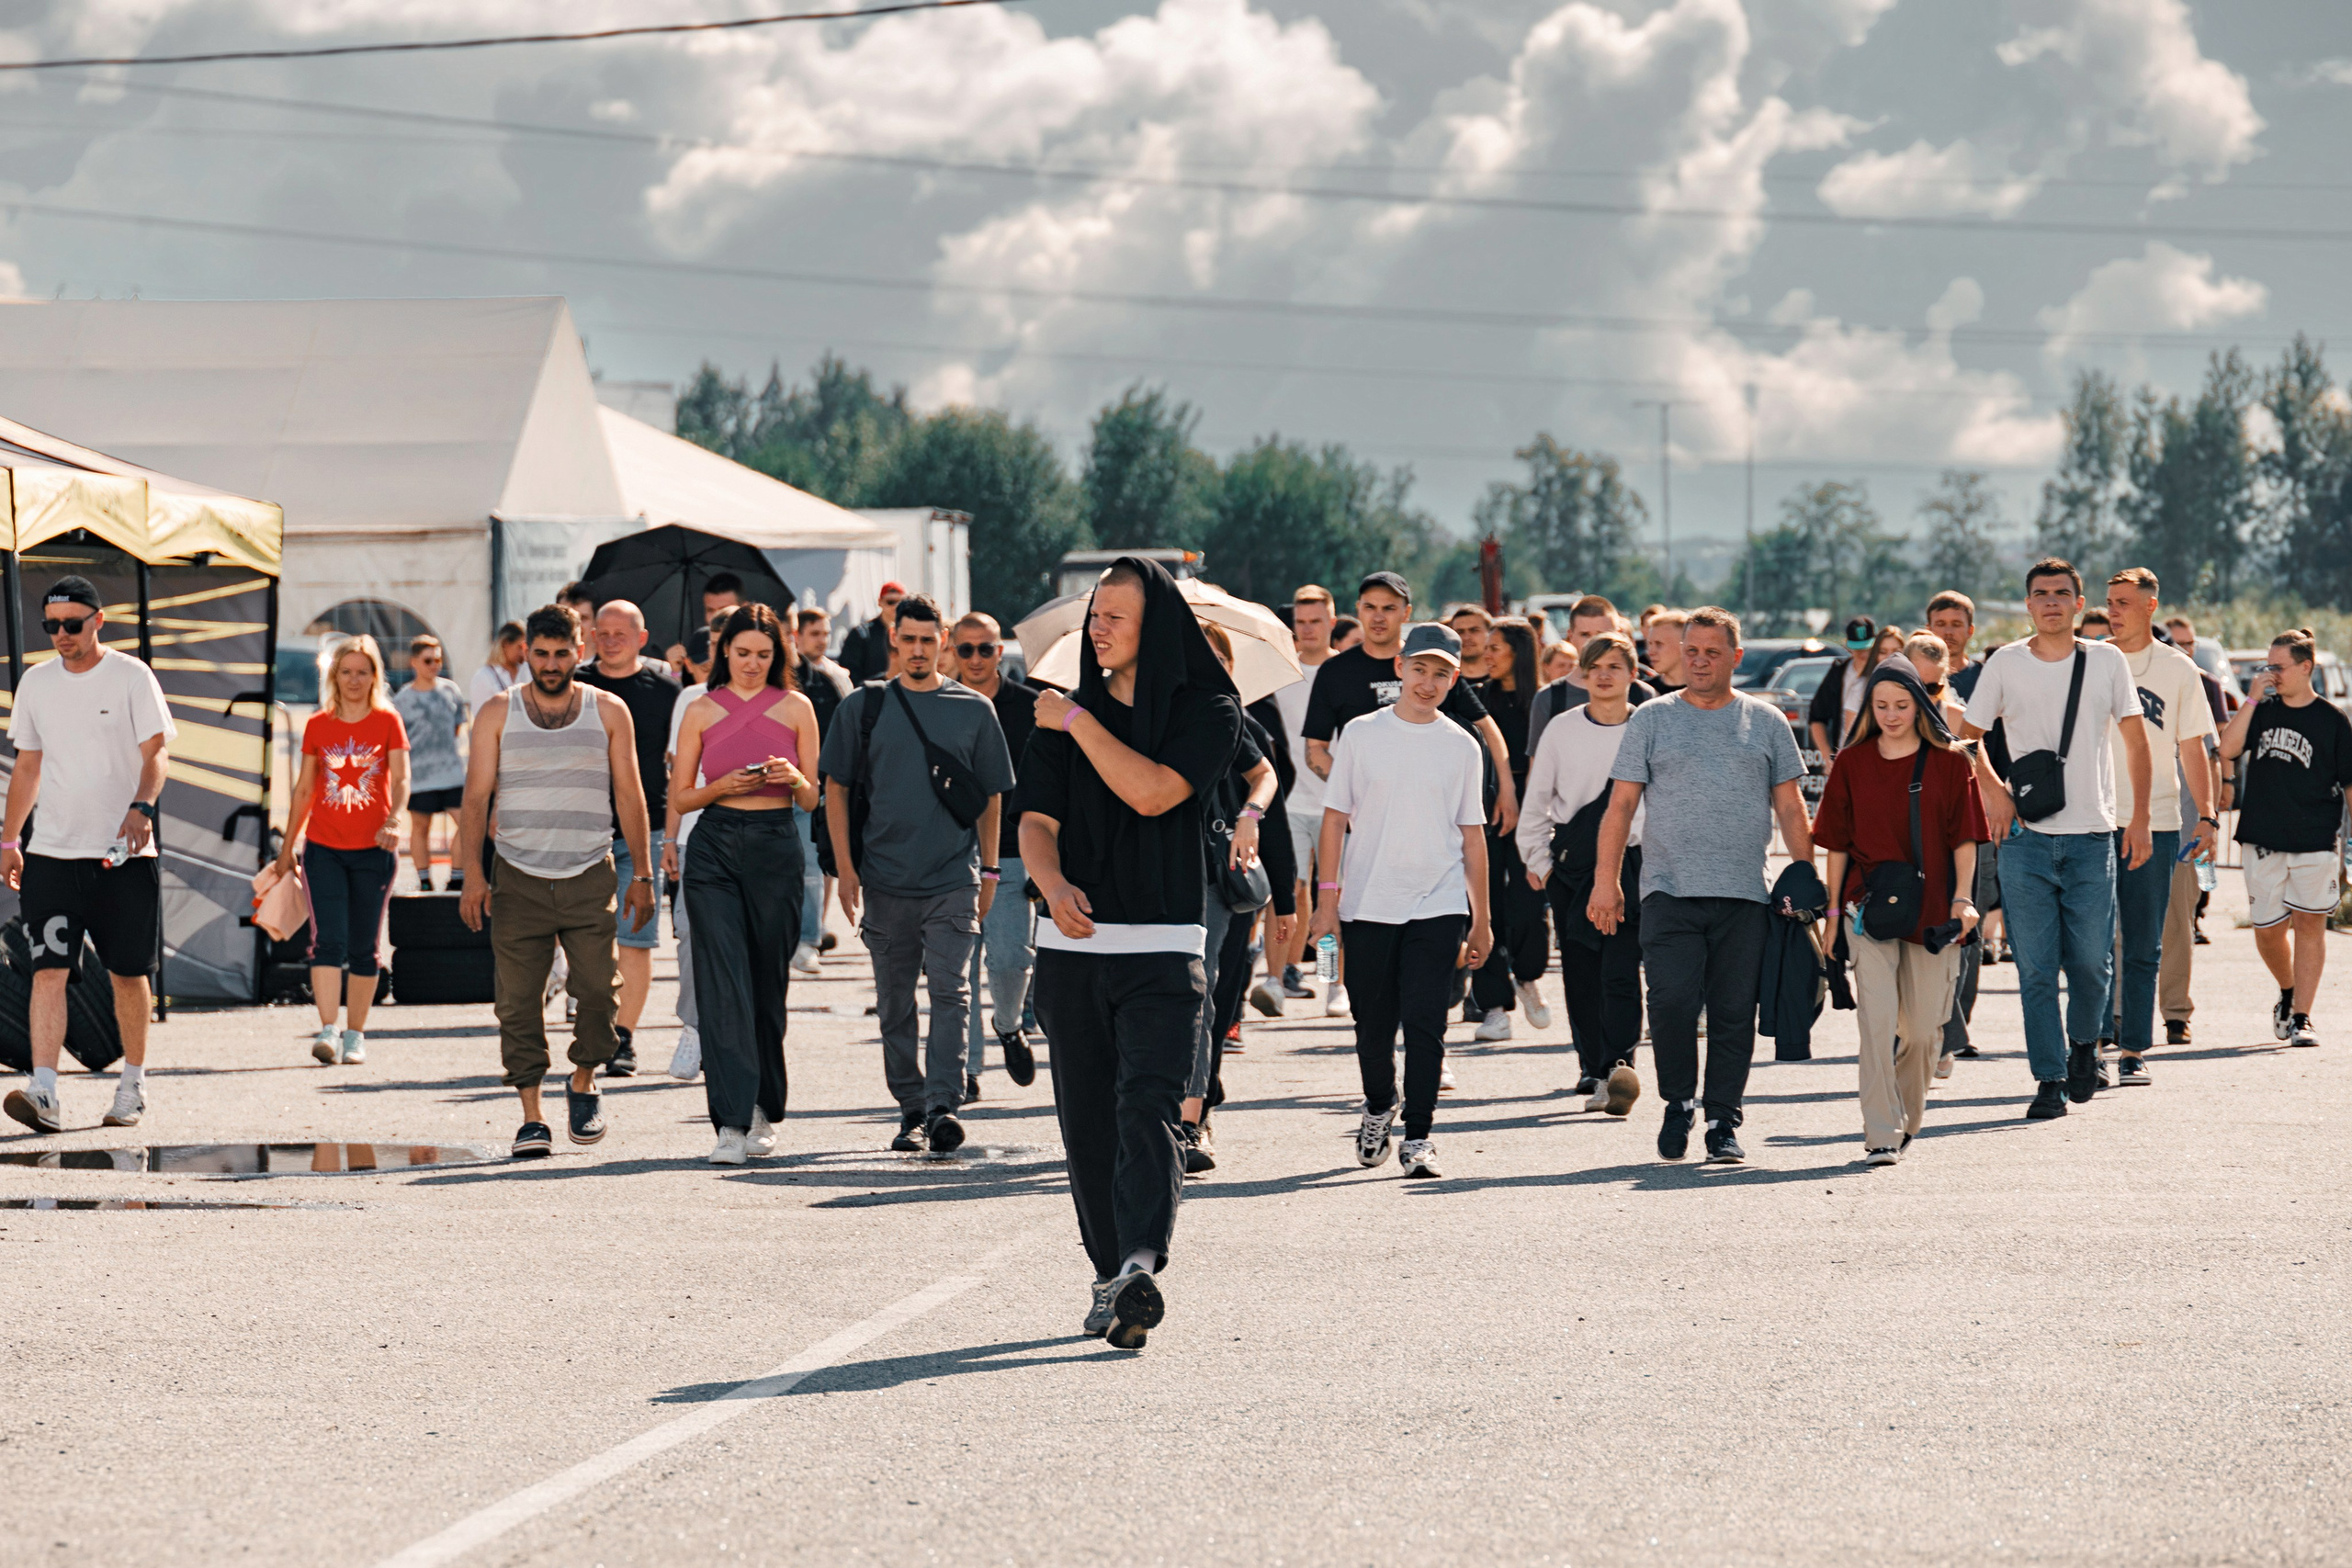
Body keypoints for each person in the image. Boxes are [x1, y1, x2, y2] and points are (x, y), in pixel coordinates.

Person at [1021, 556, 1242, 1348]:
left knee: (1148, 1106)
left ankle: (1141, 1261)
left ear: (1159, 628)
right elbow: (1035, 823)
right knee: (1087, 1124)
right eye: (1094, 614)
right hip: (1073, 950)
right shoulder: (1057, 713)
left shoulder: (1211, 709)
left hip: (1164, 945)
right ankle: (1114, 1274)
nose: (1098, 627)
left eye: (1115, 614)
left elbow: (1151, 792)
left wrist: (1079, 722)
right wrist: (1048, 883)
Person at [1593, 607, 1815, 1165]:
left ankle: (1722, 1119)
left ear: (1735, 658)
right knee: (1669, 1002)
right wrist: (1606, 882)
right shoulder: (1651, 718)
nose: (1698, 661)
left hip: (1744, 893)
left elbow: (1790, 806)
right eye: (1691, 650)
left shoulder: (1766, 721)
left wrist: (1806, 876)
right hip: (1668, 889)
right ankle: (1678, 1103)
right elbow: (1621, 805)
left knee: (1734, 1011)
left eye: (1712, 652)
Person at [456, 604, 656, 1159]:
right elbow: (475, 799)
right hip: (517, 876)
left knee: (596, 990)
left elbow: (630, 794)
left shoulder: (609, 711)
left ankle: (584, 1080)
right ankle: (531, 1115)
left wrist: (642, 873)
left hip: (589, 873)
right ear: (526, 653)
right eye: (539, 654)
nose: (549, 663)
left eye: (561, 652)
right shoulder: (497, 712)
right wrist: (472, 874)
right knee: (518, 1003)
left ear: (581, 647)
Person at [1960, 558, 2152, 1121]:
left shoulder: (2107, 660)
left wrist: (2137, 821)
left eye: (2061, 594)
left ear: (2077, 601)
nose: (2050, 602)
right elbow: (1967, 741)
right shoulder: (2005, 664)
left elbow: (2137, 743)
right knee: (2037, 968)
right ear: (2028, 604)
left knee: (2093, 963)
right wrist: (1994, 793)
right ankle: (2048, 1079)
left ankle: (2083, 1045)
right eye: (2040, 594)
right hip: (2026, 840)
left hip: (2094, 835)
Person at [822, 594, 1014, 1154]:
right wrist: (847, 869)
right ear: (894, 641)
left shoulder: (974, 710)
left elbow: (991, 798)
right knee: (896, 1002)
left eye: (929, 640)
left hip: (954, 878)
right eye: (908, 639)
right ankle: (909, 1106)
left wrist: (992, 872)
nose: (918, 650)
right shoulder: (864, 707)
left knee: (953, 993)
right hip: (884, 879)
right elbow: (835, 788)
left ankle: (942, 1105)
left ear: (944, 642)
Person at [1314, 621, 1492, 1179]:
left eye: (1441, 673)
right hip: (1367, 903)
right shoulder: (1362, 735)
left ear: (1454, 678)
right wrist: (1326, 901)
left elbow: (1472, 836)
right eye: (1419, 668)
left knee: (1425, 1023)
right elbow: (1334, 820)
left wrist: (1481, 919)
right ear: (1400, 668)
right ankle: (1377, 1106)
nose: (1428, 681)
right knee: (1373, 1026)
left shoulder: (1463, 744)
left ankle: (1419, 1136)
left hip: (1438, 904)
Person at [1302, 572, 1520, 1020]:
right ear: (1357, 610)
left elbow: (1484, 726)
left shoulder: (1432, 660)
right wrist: (1356, 787)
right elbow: (1315, 749)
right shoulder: (1336, 672)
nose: (1378, 616)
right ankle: (1334, 984)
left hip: (1432, 822)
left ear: (1405, 613)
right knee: (1337, 907)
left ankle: (1433, 1032)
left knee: (1433, 938)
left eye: (1389, 608)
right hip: (1364, 817)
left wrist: (1508, 786)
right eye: (1369, 607)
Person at [0, 576, 175, 1134]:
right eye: (51, 626)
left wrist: (142, 807)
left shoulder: (131, 676)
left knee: (128, 973)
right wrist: (9, 840)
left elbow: (157, 754)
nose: (60, 635)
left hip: (122, 856)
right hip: (50, 855)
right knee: (47, 970)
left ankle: (133, 1084)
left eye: (71, 625)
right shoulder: (36, 682)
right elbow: (28, 765)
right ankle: (45, 1090)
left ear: (99, 620)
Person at [1813, 659, 1987, 1165]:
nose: (1891, 715)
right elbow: (1836, 845)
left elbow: (1966, 839)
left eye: (1902, 705)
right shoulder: (1851, 762)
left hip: (1935, 913)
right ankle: (1881, 1131)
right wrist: (1830, 915)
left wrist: (1964, 899)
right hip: (1866, 911)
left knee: (1924, 1029)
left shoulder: (1952, 763)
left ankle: (1908, 1116)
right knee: (1877, 1022)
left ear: (1922, 705)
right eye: (1881, 705)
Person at [671, 605, 821, 1163]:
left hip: (775, 844)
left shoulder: (798, 707)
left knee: (764, 984)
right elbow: (682, 796)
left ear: (777, 654)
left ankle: (764, 1108)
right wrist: (722, 786)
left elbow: (811, 798)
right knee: (722, 980)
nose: (753, 664)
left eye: (763, 654)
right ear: (723, 653)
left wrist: (796, 778)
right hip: (713, 847)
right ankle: (732, 1123)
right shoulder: (700, 708)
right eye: (742, 653)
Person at [2099, 570, 2218, 1088]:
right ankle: (2094, 1041)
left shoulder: (2177, 670)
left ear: (2151, 606)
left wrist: (2209, 816)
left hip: (2160, 819)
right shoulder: (2089, 660)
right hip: (2091, 818)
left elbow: (2194, 748)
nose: (2114, 611)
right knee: (2093, 943)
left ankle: (2132, 1050)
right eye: (2109, 603)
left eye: (2124, 602)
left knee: (2145, 941)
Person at [1520, 631, 1645, 1117]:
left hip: (1634, 866)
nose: (1605, 675)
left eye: (1615, 665)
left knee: (1620, 970)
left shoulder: (1648, 725)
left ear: (1633, 674)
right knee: (1580, 974)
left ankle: (1619, 1066)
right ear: (1583, 675)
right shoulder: (1562, 729)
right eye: (1595, 667)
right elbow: (1535, 806)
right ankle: (1591, 1065)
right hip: (1572, 869)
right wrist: (1544, 868)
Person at [274, 636, 412, 1066]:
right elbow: (303, 789)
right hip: (323, 849)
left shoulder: (388, 721)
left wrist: (393, 820)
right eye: (346, 672)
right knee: (326, 942)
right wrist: (287, 846)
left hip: (373, 850)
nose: (354, 680)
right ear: (335, 676)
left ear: (375, 676)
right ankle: (329, 1030)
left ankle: (356, 1034)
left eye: (362, 672)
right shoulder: (318, 724)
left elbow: (403, 779)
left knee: (365, 946)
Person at [1182, 619, 1284, 1173]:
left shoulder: (1229, 716)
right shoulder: (1135, 709)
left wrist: (1250, 816)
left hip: (1213, 874)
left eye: (1218, 656)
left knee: (1200, 993)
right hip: (1146, 875)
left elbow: (1266, 779)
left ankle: (1192, 1122)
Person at [2221, 628, 2352, 1049]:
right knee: (2267, 931)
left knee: (2310, 925)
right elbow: (2227, 749)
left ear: (2305, 667)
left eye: (2278, 667)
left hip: (2315, 837)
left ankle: (2302, 1017)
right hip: (2262, 837)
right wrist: (2253, 698)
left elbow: (2350, 786)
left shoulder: (2334, 720)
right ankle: (2288, 988)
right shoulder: (2263, 709)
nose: (2270, 673)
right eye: (2267, 666)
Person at [573, 600, 681, 1078]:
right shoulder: (574, 685)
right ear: (592, 635)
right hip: (579, 828)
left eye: (622, 632)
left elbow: (679, 766)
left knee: (635, 940)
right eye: (603, 632)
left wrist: (672, 835)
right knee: (586, 941)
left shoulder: (666, 691)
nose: (611, 639)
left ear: (642, 638)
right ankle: (595, 1027)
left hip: (645, 829)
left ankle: (625, 1040)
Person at [953, 611, 1041, 1098]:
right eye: (965, 649)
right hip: (951, 857)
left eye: (985, 648)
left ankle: (1009, 1025)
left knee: (1010, 962)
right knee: (957, 970)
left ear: (999, 652)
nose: (976, 659)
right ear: (953, 651)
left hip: (1011, 855)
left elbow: (1048, 789)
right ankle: (964, 1070)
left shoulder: (1028, 709)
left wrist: (1046, 861)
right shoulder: (940, 704)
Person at [1465, 618, 1551, 1042]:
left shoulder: (1545, 702)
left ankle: (1529, 976)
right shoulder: (1478, 699)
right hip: (1483, 810)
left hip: (1534, 811)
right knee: (1485, 908)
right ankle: (1494, 1007)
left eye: (1497, 647)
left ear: (1520, 652)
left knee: (1530, 905)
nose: (1487, 653)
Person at [1268, 584, 1338, 1001]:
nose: (1308, 629)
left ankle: (1333, 982)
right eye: (1301, 622)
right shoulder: (1280, 673)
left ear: (1333, 620)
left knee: (1335, 898)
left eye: (1316, 621)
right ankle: (1275, 979)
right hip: (1288, 802)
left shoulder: (1346, 671)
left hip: (1336, 803)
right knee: (1289, 891)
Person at [662, 626, 717, 1080]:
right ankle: (694, 1028)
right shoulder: (691, 700)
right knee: (689, 938)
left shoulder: (778, 701)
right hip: (693, 835)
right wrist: (669, 839)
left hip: (753, 835)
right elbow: (677, 775)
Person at [792, 608, 854, 971]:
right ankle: (803, 932)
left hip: (820, 784)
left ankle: (810, 934)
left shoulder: (836, 678)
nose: (822, 639)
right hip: (786, 783)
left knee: (818, 865)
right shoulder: (780, 678)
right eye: (814, 633)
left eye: (825, 633)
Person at [1528, 594, 1657, 759]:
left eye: (1602, 634)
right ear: (1570, 636)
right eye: (1585, 634)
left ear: (1619, 634)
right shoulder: (1549, 698)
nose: (1594, 642)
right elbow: (1538, 771)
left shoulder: (1643, 695)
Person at [392, 635, 469, 892]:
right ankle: (424, 880)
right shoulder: (403, 699)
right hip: (420, 775)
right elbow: (398, 739)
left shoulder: (451, 690)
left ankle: (456, 876)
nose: (434, 665)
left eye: (438, 660)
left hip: (451, 772)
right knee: (420, 828)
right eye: (428, 660)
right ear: (414, 662)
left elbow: (457, 726)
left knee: (467, 823)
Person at [1808, 615, 1881, 760]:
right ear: (1847, 646)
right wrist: (1827, 756)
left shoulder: (1884, 672)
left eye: (1868, 648)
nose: (1864, 654)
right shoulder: (1838, 673)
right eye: (1858, 649)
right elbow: (1817, 717)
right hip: (1845, 755)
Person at [838, 581, 906, 685]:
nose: (896, 607)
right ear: (880, 602)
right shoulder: (861, 634)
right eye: (890, 602)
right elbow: (850, 674)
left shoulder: (911, 634)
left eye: (900, 603)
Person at [469, 621, 526, 712]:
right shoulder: (484, 676)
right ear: (505, 644)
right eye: (519, 647)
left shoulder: (527, 670)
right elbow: (480, 715)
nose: (523, 653)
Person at [1644, 609, 1690, 694]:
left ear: (1683, 646)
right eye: (1650, 644)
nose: (1650, 652)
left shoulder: (1708, 691)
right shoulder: (1643, 693)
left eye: (1659, 644)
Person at [1448, 604, 1493, 680]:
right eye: (1460, 632)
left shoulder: (1508, 682)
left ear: (1490, 634)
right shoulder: (1444, 683)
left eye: (1474, 630)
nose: (1466, 637)